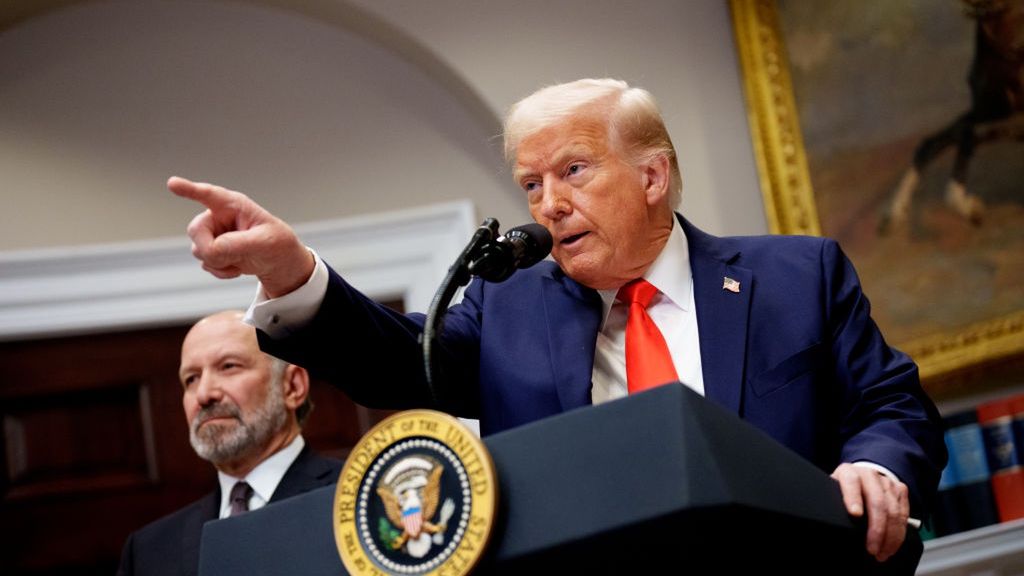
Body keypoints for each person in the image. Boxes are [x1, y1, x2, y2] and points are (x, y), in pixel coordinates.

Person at [167, 78, 946, 571]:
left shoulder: (795, 276)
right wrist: (291, 272)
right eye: (531, 185)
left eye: (573, 170)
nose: (549, 205)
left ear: (652, 175)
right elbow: (400, 360)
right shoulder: (510, 308)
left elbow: (893, 406)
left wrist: (875, 468)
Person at [117, 310, 342, 576]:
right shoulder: (148, 551)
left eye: (228, 367)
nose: (204, 394)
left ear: (292, 386)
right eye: (191, 379)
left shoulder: (358, 498)